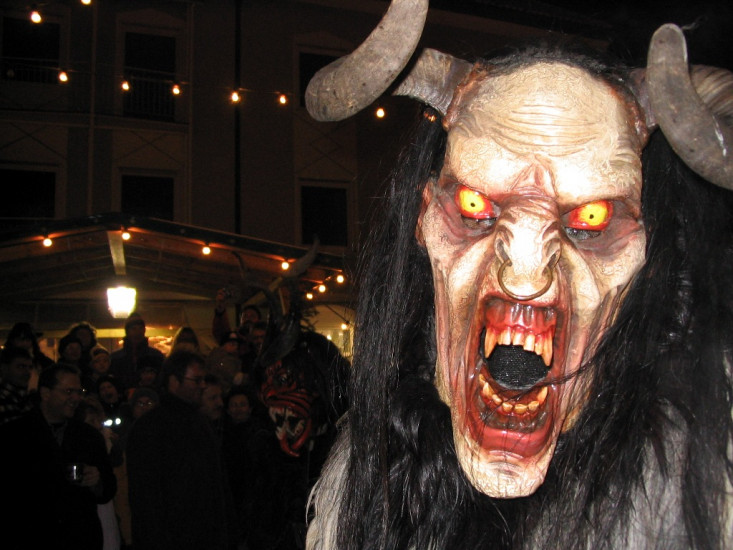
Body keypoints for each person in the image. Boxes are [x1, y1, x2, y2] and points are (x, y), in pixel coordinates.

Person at [304, 5, 733, 550]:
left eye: (592, 219)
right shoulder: (364, 483)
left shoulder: (703, 490)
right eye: (474, 206)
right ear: (424, 217)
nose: (526, 274)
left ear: (649, 248)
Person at [0, 364, 116, 550]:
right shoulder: (15, 435)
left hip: (80, 537)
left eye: (79, 392)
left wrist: (97, 481)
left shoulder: (89, 436)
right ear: (46, 393)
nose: (76, 398)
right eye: (68, 391)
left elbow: (108, 488)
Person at [126, 350, 230, 550]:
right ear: (174, 381)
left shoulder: (200, 422)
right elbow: (146, 498)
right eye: (196, 380)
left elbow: (217, 485)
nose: (202, 385)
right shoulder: (150, 428)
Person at [110, 312, 165, 392]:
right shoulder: (115, 358)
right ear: (127, 331)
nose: (137, 332)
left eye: (140, 328)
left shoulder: (156, 356)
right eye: (133, 329)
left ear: (144, 330)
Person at [4, 321, 54, 391]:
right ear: (12, 341)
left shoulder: (42, 361)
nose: (24, 343)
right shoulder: (5, 359)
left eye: (28, 340)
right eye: (20, 340)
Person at [0, 346, 33, 424]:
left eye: (30, 367)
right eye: (21, 367)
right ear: (4, 368)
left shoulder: (25, 398)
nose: (27, 372)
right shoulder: (4, 400)